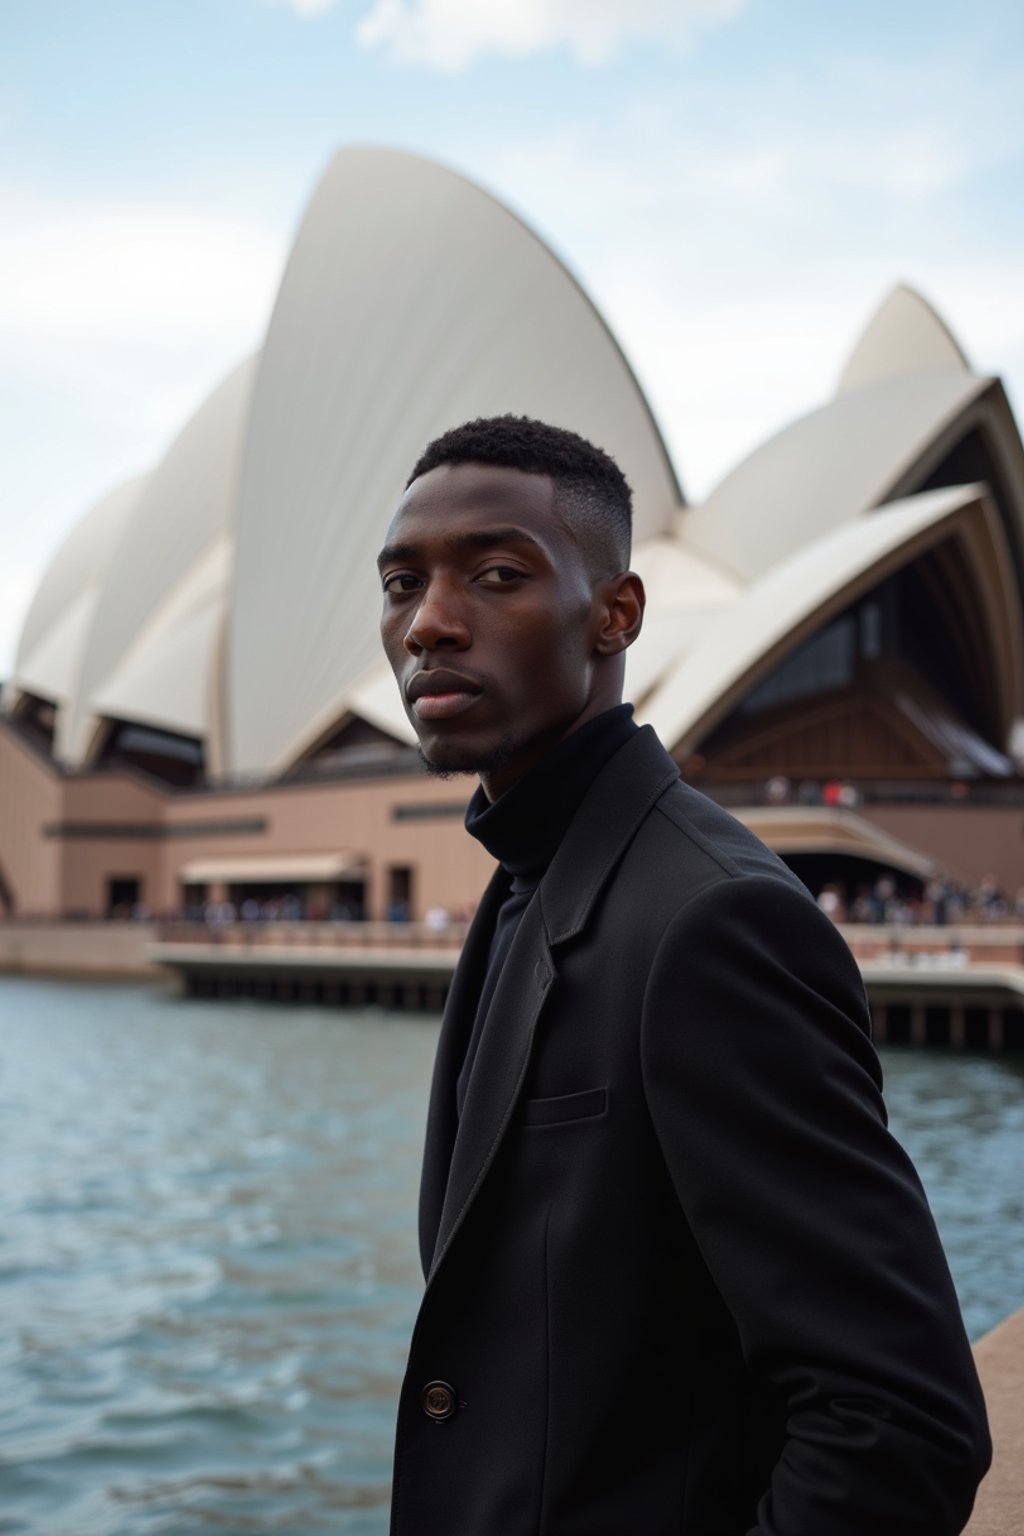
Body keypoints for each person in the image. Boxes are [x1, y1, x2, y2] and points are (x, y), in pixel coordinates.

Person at [376, 415, 989, 1535]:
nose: (428, 624)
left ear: (615, 614)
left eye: (496, 575)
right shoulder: (537, 878)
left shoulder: (715, 920)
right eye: (401, 582)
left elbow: (899, 1419)